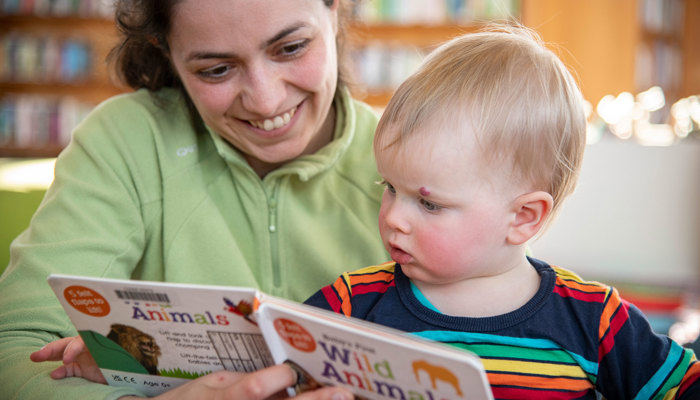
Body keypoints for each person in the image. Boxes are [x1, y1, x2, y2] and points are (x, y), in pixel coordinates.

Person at [0, 0, 386, 398]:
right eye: (216, 70)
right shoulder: (127, 141)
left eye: (291, 48)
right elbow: (16, 345)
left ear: (336, 10)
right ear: (164, 48)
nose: (266, 101)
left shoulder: (402, 160)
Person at [304, 25, 700, 399]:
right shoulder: (351, 304)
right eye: (390, 187)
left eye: (429, 203)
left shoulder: (596, 322)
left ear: (524, 217)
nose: (392, 217)